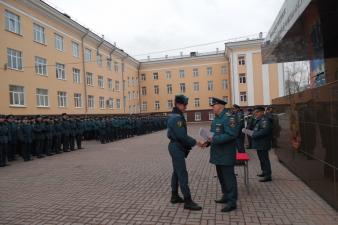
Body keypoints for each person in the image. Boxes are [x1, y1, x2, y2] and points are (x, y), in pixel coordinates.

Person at [167, 95, 204, 211]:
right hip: (176, 147)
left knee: (176, 172)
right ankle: (188, 201)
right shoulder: (177, 118)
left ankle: (174, 196)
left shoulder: (175, 115)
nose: (186, 107)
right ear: (178, 104)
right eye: (184, 105)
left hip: (175, 146)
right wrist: (196, 142)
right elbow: (182, 136)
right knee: (182, 173)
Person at [202, 97, 239, 212]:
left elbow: (232, 134)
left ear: (220, 106)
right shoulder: (216, 119)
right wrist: (207, 142)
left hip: (226, 154)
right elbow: (212, 135)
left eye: (214, 105)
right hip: (217, 154)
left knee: (229, 178)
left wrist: (214, 139)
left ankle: (232, 202)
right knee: (222, 178)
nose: (212, 108)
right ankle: (225, 195)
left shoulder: (229, 118)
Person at [243, 106, 273, 182]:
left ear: (262, 112)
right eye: (254, 112)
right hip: (259, 143)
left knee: (265, 159)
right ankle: (264, 172)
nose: (255, 114)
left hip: (263, 143)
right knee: (261, 159)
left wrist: (253, 134)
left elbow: (264, 131)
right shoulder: (258, 120)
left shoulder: (265, 120)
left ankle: (268, 176)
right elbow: (253, 128)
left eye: (256, 112)